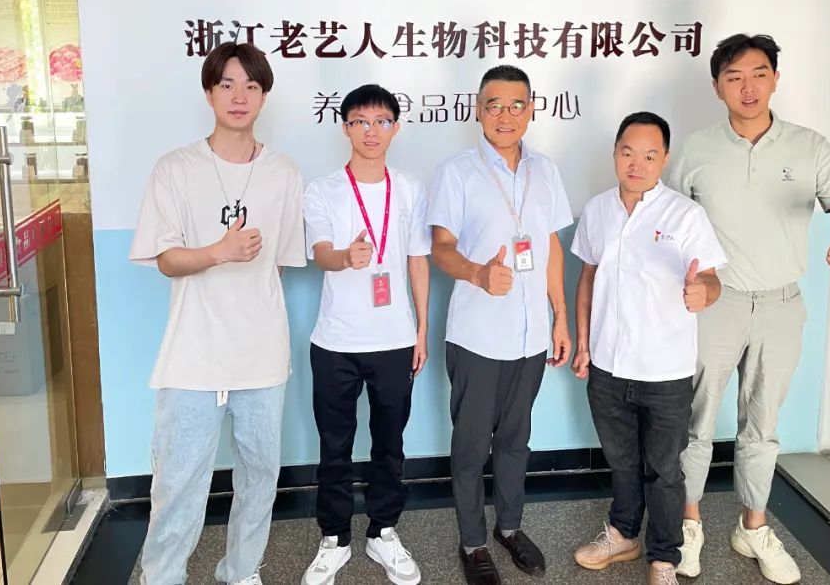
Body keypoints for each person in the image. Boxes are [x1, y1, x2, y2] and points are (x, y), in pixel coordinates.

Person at [671, 34, 830, 584]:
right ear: (717, 87)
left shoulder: (809, 147)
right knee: (694, 422)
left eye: (759, 73)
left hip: (782, 304)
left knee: (762, 426)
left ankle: (753, 525)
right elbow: (666, 226)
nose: (748, 86)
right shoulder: (695, 149)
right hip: (714, 304)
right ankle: (688, 524)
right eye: (734, 77)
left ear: (775, 79)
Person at [129, 43, 306, 585]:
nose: (239, 96)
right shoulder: (175, 169)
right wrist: (218, 252)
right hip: (193, 355)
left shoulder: (283, 172)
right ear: (209, 93)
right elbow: (165, 260)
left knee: (260, 478)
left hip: (261, 355)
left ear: (264, 97)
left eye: (251, 86)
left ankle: (242, 571)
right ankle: (163, 576)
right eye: (227, 84)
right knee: (178, 483)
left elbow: (278, 265)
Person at [428, 65, 574, 585]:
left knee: (515, 440)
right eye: (494, 105)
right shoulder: (457, 171)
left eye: (516, 105)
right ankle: (472, 542)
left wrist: (560, 316)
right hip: (477, 336)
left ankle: (509, 527)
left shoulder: (545, 170)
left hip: (531, 336)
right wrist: (477, 273)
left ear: (531, 110)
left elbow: (550, 246)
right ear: (478, 110)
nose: (505, 115)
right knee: (471, 447)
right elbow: (441, 247)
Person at [569, 112, 726, 585]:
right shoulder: (598, 210)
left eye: (649, 155)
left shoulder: (685, 215)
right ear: (615, 153)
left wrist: (703, 292)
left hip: (664, 370)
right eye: (627, 153)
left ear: (665, 159)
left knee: (664, 470)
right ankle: (622, 535)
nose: (636, 164)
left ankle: (663, 558)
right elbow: (588, 278)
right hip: (608, 365)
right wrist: (583, 342)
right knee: (620, 461)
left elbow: (711, 279)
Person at [300, 84, 431, 585]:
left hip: (395, 340)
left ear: (395, 128)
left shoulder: (410, 188)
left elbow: (417, 259)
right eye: (360, 121)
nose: (371, 131)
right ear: (345, 128)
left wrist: (421, 329)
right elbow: (321, 253)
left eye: (381, 121)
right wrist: (345, 257)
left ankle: (382, 531)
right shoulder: (323, 190)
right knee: (334, 445)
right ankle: (334, 538)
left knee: (389, 444)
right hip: (336, 342)